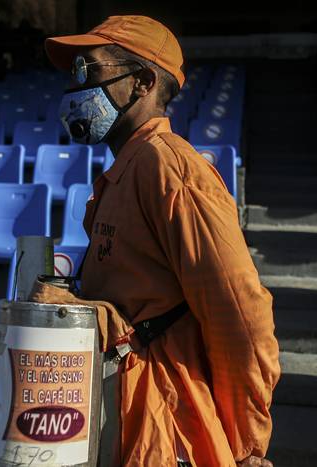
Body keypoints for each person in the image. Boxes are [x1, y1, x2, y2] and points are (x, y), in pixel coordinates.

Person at [45, 15, 280, 467]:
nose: (75, 88)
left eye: (89, 71)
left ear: (143, 83)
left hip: (166, 421)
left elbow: (241, 315)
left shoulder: (171, 169)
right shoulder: (125, 171)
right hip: (121, 406)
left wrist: (246, 444)